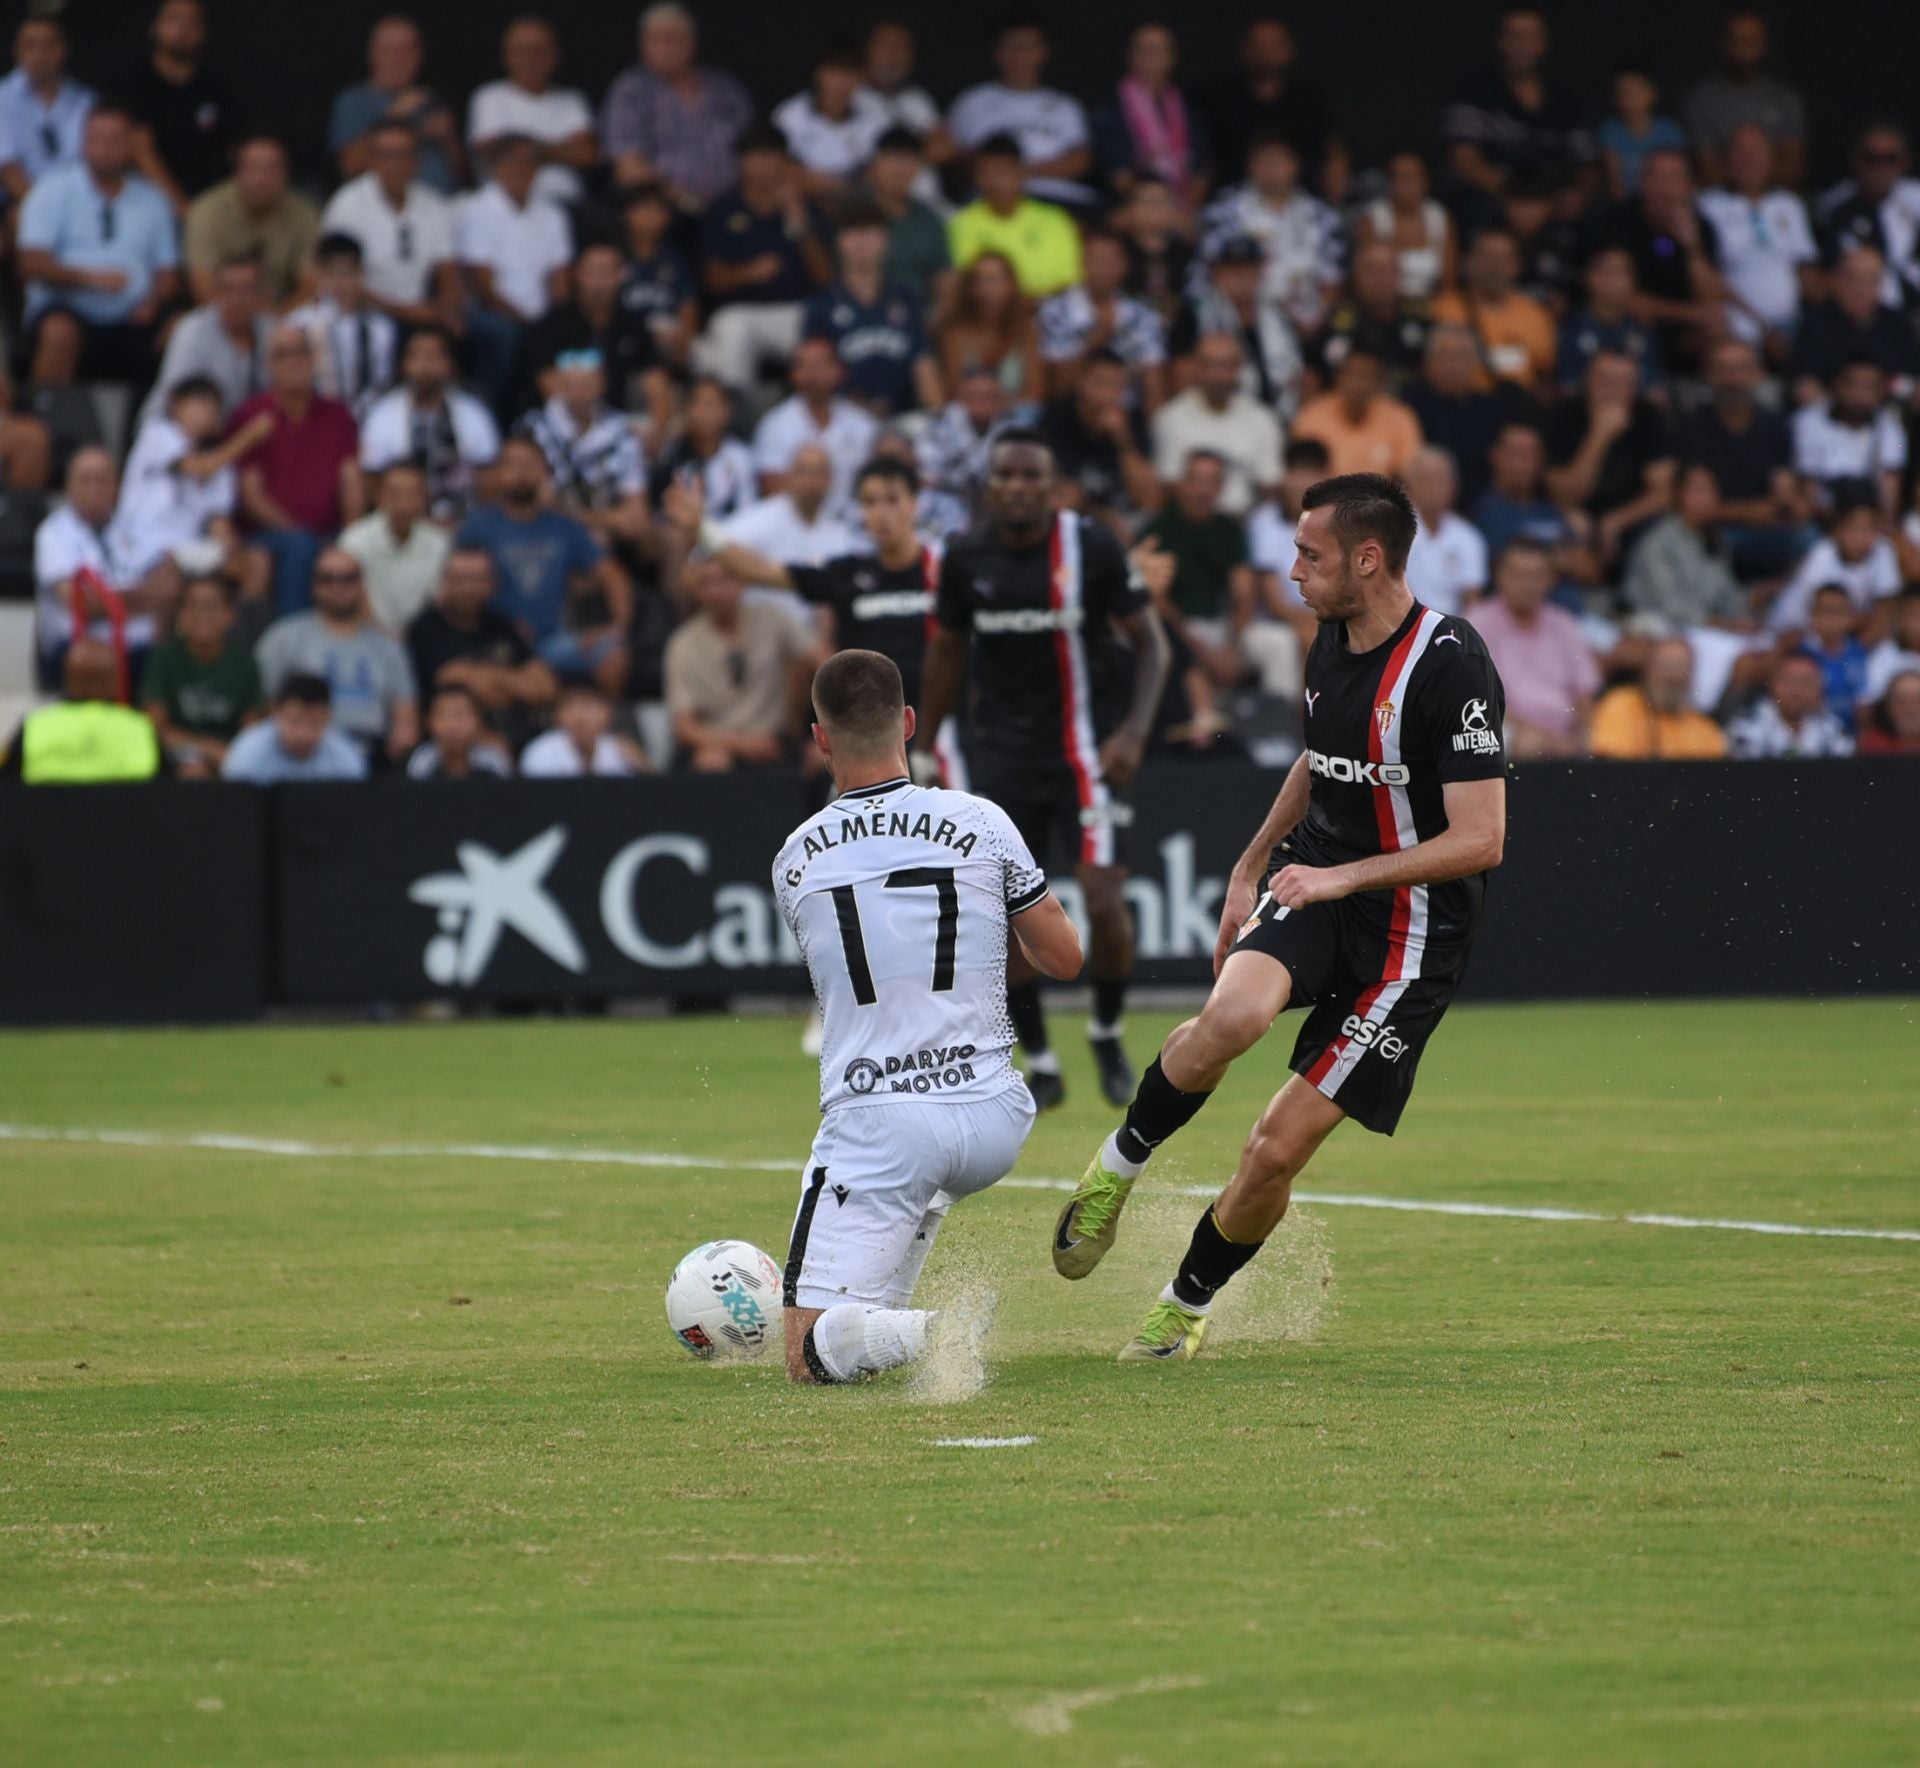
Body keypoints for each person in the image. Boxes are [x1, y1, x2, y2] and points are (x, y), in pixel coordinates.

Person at [1055, 473, 1506, 1361]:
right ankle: (1114, 1169)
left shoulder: (1451, 663)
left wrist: (1343, 882)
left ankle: (1181, 1309)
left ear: (1367, 559)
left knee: (1272, 1152)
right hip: (1317, 881)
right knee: (1231, 1014)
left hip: (1411, 943)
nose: (1291, 571)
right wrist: (1252, 859)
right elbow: (1320, 757)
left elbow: (1483, 838)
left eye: (1310, 553)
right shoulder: (1329, 638)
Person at [775, 648, 1081, 1385]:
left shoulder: (795, 859)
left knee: (806, 1358)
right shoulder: (982, 820)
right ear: (909, 723)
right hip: (994, 1114)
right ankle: (886, 1309)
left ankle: (937, 1330)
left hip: (883, 1124)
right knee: (864, 1324)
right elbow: (1064, 959)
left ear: (820, 738)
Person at [914, 428, 1172, 1110]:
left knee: (1105, 901)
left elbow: (1155, 645)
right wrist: (920, 748)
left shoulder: (1090, 546)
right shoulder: (963, 555)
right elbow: (945, 654)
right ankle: (1043, 1058)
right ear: (989, 486)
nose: (1020, 487)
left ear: (1052, 486)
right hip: (995, 758)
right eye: (1007, 476)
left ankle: (1107, 1033)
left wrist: (1134, 734)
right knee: (1005, 918)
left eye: (1034, 476)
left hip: (1083, 756)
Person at [670, 456, 937, 705]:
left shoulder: (941, 572)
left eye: (892, 500)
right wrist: (701, 528)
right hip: (869, 721)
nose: (881, 513)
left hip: (939, 725)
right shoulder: (848, 573)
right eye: (869, 502)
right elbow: (761, 571)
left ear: (916, 503)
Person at [456, 436, 630, 696]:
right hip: (494, 640)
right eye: (512, 465)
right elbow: (456, 580)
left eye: (529, 464)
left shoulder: (563, 527)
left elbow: (612, 575)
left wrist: (617, 627)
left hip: (552, 640)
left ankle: (599, 729)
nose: (521, 473)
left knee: (613, 656)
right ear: (499, 472)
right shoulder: (479, 526)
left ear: (544, 471)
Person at [18, 106, 179, 387]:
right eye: (97, 139)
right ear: (84, 142)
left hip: (134, 314)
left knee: (180, 328)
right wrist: (91, 279)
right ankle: (46, 420)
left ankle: (155, 426)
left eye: (115, 140)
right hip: (67, 307)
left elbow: (167, 273)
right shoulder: (52, 189)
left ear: (130, 145)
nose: (105, 149)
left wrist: (152, 302)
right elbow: (31, 263)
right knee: (59, 331)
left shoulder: (153, 199)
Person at [231, 326, 364, 616]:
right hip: (267, 534)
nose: (292, 361)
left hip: (330, 531)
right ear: (269, 365)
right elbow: (253, 498)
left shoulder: (337, 414)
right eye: (282, 355)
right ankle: (294, 638)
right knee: (300, 547)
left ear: (313, 359)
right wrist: (305, 536)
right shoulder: (251, 415)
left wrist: (351, 539)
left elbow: (351, 482)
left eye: (299, 352)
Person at [695, 123, 831, 392]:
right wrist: (749, 272)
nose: (763, 165)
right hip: (742, 311)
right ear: (742, 161)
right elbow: (712, 280)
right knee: (732, 330)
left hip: (795, 309)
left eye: (771, 156)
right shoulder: (722, 209)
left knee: (824, 329)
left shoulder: (804, 207)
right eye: (755, 156)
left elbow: (825, 278)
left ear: (783, 161)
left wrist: (798, 222)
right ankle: (736, 413)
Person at [1135, 449, 1255, 745]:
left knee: (1277, 644)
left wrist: (1232, 641)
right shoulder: (1157, 529)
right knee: (1169, 641)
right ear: (1180, 484)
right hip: (1181, 628)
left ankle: (1289, 741)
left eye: (1212, 482)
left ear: (1220, 488)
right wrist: (1205, 650)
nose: (1202, 490)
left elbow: (1244, 593)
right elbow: (1157, 602)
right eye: (1195, 480)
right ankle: (1205, 724)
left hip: (1224, 627)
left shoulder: (1229, 529)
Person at [255, 549, 419, 764]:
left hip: (372, 753)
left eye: (348, 578)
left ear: (362, 585)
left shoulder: (388, 648)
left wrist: (400, 747)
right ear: (314, 585)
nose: (337, 587)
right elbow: (263, 708)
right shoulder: (282, 638)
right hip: (303, 753)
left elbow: (405, 716)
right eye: (327, 579)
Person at [665, 556, 820, 769]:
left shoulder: (772, 619)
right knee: (712, 761)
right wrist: (740, 743)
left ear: (742, 582)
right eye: (705, 583)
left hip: (776, 743)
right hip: (719, 743)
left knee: (819, 759)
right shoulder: (682, 643)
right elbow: (683, 727)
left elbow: (823, 660)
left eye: (724, 581)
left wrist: (830, 734)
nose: (716, 592)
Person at [32, 448, 167, 688]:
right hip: (78, 649)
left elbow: (168, 589)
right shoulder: (53, 532)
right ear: (69, 486)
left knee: (170, 658)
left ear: (116, 485)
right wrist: (144, 597)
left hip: (139, 649)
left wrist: (110, 600)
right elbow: (82, 603)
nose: (95, 487)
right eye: (86, 479)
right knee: (90, 663)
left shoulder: (137, 525)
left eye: (103, 479)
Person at [598, 0, 753, 209]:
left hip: (732, 206)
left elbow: (756, 147)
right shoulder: (631, 91)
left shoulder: (723, 87)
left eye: (675, 39)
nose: (668, 49)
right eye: (658, 40)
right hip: (665, 209)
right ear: (644, 44)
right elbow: (628, 167)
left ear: (693, 42)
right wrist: (685, 200)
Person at [1676, 338, 1806, 581]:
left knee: (1808, 540)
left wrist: (1789, 505)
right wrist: (1744, 512)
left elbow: (1784, 489)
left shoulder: (1774, 425)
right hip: (1715, 530)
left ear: (1758, 374)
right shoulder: (1691, 426)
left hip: (1766, 528)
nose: (1732, 379)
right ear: (1708, 375)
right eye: (1723, 370)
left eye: (1741, 369)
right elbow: (1688, 508)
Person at [1591, 150, 1725, 379]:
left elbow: (1712, 300)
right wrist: (1691, 315)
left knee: (1717, 328)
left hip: (1683, 331)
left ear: (1689, 187)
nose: (1665, 189)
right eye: (1657, 178)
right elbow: (1621, 297)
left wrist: (1693, 250)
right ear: (1643, 183)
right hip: (1631, 323)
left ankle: (1705, 399)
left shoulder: (1702, 227)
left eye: (1674, 179)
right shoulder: (1619, 222)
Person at [319, 119, 460, 334]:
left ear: (418, 160)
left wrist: (449, 309)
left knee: (492, 333)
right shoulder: (346, 205)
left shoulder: (433, 204)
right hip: (367, 312)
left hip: (423, 311)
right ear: (372, 159)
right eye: (387, 155)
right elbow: (341, 279)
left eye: (404, 155)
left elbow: (447, 270)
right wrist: (410, 313)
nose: (396, 163)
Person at [1198, 132, 1342, 338]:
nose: (1271, 169)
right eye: (1263, 161)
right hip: (1240, 324)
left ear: (1295, 165)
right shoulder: (1224, 210)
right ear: (1250, 166)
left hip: (1308, 325)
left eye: (1278, 161)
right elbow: (1207, 270)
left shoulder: (1322, 215)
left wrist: (1315, 322)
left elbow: (1332, 278)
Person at [800, 203, 938, 418]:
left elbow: (923, 365)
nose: (862, 240)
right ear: (838, 241)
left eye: (872, 231)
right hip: (842, 421)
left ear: (887, 240)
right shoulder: (822, 305)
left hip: (904, 421)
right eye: (853, 231)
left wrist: (936, 415)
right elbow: (812, 372)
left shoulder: (906, 299)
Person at [1542, 350, 1675, 572]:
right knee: (1566, 529)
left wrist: (1615, 521)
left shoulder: (1649, 416)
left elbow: (1663, 493)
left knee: (1664, 531)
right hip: (1573, 514)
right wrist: (1599, 436)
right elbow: (1564, 494)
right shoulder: (1563, 415)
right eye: (1606, 380)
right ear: (1587, 381)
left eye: (1625, 382)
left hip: (1629, 518)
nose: (1614, 391)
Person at [1440, 6, 1590, 197]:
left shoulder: (1562, 97)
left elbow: (1587, 162)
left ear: (1543, 42)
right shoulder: (1473, 90)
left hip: (1552, 206)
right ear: (1501, 40)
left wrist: (1575, 196)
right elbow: (1464, 160)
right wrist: (1520, 200)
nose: (1523, 46)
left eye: (1531, 37)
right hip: (1491, 204)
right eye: (1515, 37)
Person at [359, 326, 501, 524]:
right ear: (403, 365)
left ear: (450, 365)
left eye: (434, 356)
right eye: (416, 356)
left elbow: (490, 478)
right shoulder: (382, 415)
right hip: (403, 524)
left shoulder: (474, 413)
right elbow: (372, 480)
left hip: (462, 522)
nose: (425, 365)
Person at [947, 18, 1093, 208]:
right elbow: (954, 159)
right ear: (997, 52)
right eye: (1012, 46)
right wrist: (1001, 174)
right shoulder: (971, 101)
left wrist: (1025, 171)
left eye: (1028, 46)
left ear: (1043, 52)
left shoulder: (1065, 105)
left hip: (1056, 197)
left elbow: (1081, 160)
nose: (1020, 54)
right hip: (991, 200)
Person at [1472, 538, 1599, 756]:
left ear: (1550, 580)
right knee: (1528, 743)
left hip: (1565, 732)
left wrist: (1582, 733)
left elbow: (1584, 691)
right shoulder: (1477, 624)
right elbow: (1479, 698)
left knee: (1607, 740)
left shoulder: (1563, 623)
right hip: (1506, 728)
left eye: (1536, 576)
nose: (1527, 585)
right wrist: (1546, 738)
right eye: (1518, 575)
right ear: (1499, 575)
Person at [404, 545, 556, 727]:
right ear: (445, 581)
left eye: (477, 580)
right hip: (459, 736)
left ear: (492, 583)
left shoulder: (501, 624)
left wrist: (480, 676)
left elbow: (545, 687)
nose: (468, 588)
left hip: (520, 731)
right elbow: (450, 678)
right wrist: (516, 683)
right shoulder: (425, 629)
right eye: (460, 579)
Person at [1697, 125, 1817, 355]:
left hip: (1789, 325)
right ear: (1726, 159)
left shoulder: (1790, 204)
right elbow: (1707, 273)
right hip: (1734, 326)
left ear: (1771, 158)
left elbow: (1804, 269)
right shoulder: (1707, 205)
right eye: (1741, 152)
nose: (1749, 159)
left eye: (1757, 152)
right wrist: (1762, 326)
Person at [515, 350, 648, 549]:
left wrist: (579, 517)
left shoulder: (622, 433)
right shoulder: (533, 428)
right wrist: (606, 519)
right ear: (558, 385)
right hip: (544, 532)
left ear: (601, 385)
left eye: (586, 385)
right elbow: (536, 503)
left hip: (610, 539)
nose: (579, 393)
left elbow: (636, 516)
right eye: (571, 385)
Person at [523, 241, 667, 422]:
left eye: (606, 273)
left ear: (621, 275)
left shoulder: (634, 324)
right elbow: (549, 386)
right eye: (592, 272)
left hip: (618, 423)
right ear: (577, 274)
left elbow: (654, 380)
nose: (598, 282)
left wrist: (658, 427)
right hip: (562, 423)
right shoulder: (551, 326)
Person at [455, 132, 572, 351]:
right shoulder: (475, 211)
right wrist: (526, 324)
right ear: (495, 166)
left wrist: (555, 320)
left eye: (529, 163)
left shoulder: (552, 214)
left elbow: (560, 281)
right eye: (514, 162)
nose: (522, 169)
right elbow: (483, 288)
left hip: (543, 316)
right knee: (507, 336)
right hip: (497, 314)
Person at [140, 572, 264, 773]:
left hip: (231, 753)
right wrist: (208, 749)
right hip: (178, 753)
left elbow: (251, 729)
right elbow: (156, 726)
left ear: (230, 615)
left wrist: (230, 755)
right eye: (192, 606)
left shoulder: (245, 661)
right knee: (193, 770)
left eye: (211, 606)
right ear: (179, 615)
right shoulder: (165, 657)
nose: (202, 614)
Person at [465, 15, 593, 209]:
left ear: (555, 55)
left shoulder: (571, 100)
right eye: (522, 51)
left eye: (538, 51)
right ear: (507, 56)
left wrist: (520, 148)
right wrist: (558, 149)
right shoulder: (489, 97)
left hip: (565, 204)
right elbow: (490, 151)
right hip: (507, 205)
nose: (530, 59)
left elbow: (586, 154)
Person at [1151, 332, 1284, 518]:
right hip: (1191, 521)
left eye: (1228, 366)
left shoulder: (1263, 420)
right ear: (1195, 367)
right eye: (1210, 365)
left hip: (1247, 522)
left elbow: (1270, 485)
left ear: (1240, 369)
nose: (1219, 375)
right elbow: (1170, 486)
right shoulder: (1170, 419)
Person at [1197, 13, 1334, 192]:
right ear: (1243, 49)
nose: (1266, 52)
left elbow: (1332, 147)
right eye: (1259, 45)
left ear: (1290, 50)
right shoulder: (1217, 100)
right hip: (1233, 200)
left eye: (1274, 45)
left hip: (1301, 201)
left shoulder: (1309, 100)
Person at [328, 14, 463, 195]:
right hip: (383, 210)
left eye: (405, 51)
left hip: (441, 206)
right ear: (372, 53)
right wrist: (396, 115)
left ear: (419, 56)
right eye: (388, 50)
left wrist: (448, 140)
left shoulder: (431, 99)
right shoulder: (353, 100)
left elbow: (464, 174)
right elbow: (350, 166)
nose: (397, 59)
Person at [1404, 325, 1533, 509]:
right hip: (1429, 502)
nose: (1454, 365)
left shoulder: (1491, 408)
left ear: (1475, 363)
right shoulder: (1410, 406)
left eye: (1462, 357)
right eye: (1445, 356)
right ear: (1428, 362)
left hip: (1485, 503)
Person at [1036, 227, 1167, 408]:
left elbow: (1154, 384)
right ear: (1081, 263)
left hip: (1128, 411)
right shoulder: (1055, 311)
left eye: (1110, 261)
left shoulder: (1144, 316)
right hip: (1070, 411)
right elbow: (1057, 386)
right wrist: (1094, 342)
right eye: (1097, 260)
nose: (1103, 268)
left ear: (1125, 265)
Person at [124, 0, 233, 212]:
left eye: (192, 22)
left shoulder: (215, 89)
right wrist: (183, 208)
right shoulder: (137, 86)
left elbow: (232, 150)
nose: (183, 29)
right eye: (174, 19)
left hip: (211, 205)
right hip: (148, 206)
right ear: (154, 26)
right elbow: (140, 150)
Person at [182, 136, 317, 306]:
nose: (261, 179)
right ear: (237, 170)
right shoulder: (206, 212)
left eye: (272, 169)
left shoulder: (304, 215)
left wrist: (277, 323)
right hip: (221, 319)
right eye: (253, 168)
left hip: (283, 319)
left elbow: (312, 285)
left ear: (287, 173)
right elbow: (203, 290)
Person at [1, 642, 161, 785]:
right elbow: (169, 782)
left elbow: (7, 782)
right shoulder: (140, 727)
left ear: (68, 678)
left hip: (43, 815)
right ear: (112, 681)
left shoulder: (35, 725)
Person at [1683, 9, 1807, 191]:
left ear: (1765, 44)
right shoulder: (1703, 99)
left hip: (1776, 197)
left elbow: (1793, 168)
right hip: (1720, 199)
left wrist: (1752, 178)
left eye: (1752, 40)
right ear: (1723, 44)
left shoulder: (1784, 98)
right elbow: (1707, 170)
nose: (1745, 48)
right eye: (1738, 40)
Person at [946, 133, 1082, 299]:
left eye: (1001, 171)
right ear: (977, 178)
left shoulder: (1055, 219)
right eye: (985, 173)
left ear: (1021, 173)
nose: (994, 181)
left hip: (1049, 310)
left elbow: (1068, 280)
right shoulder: (961, 223)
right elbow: (969, 284)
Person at [1039, 348, 1162, 531]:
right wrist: (1101, 517)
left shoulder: (1133, 420)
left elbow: (1150, 500)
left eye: (1116, 386)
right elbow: (1060, 494)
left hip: (1127, 521)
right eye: (1099, 384)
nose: (1106, 395)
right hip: (1077, 522)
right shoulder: (1057, 418)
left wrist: (1123, 440)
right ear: (1081, 382)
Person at [1090, 21, 1209, 209]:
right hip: (1131, 208)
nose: (1148, 57)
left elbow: (1201, 169)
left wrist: (1183, 208)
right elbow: (1117, 174)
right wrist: (1156, 206)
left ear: (1172, 56)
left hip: (1183, 208)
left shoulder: (1187, 106)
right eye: (1141, 49)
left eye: (1156, 50)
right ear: (1129, 55)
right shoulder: (1111, 105)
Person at [140, 253, 268, 424]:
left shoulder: (270, 330)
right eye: (230, 289)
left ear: (259, 294)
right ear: (216, 292)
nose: (238, 299)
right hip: (181, 432)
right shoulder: (192, 331)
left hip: (246, 434)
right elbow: (176, 401)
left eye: (246, 290)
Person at [1623, 462, 1750, 632]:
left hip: (1701, 629)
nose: (1706, 498)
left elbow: (1727, 596)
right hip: (1652, 631)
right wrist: (1723, 624)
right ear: (1679, 494)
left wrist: (1757, 598)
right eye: (1698, 490)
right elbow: (1670, 607)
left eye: (1711, 490)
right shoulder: (1658, 541)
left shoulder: (1716, 538)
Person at [284, 233, 400, 419]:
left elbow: (381, 382)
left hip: (365, 415)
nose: (341, 283)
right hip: (314, 416)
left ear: (361, 274)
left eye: (348, 273)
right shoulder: (298, 324)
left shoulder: (380, 328)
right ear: (318, 275)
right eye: (332, 274)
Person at [1429, 227, 1553, 396]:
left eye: (1503, 259)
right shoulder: (1444, 309)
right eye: (1487, 257)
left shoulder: (1536, 315)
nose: (1495, 266)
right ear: (1470, 262)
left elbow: (1544, 373)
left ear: (1517, 266)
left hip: (1518, 405)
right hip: (1464, 402)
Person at [1814, 125, 1920, 310]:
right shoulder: (1835, 209)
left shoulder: (1915, 200)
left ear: (1904, 163)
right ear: (1856, 160)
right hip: (1866, 319)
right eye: (1871, 158)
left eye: (1889, 159)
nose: (1879, 168)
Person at [340, 459, 451, 634]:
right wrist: (387, 642)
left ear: (425, 497)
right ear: (380, 495)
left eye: (412, 494)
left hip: (422, 639)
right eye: (395, 493)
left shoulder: (441, 543)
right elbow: (352, 598)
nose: (404, 503)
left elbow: (438, 602)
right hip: (364, 637)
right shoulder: (354, 540)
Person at [1791, 357, 1907, 520]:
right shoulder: (1807, 422)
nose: (1860, 395)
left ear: (1881, 391)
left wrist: (1879, 523)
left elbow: (1890, 486)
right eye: (1853, 386)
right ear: (1836, 385)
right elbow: (1808, 486)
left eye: (1869, 388)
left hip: (1869, 520)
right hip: (1820, 518)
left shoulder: (1891, 428)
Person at [1315, 238, 1433, 391]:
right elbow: (1329, 373)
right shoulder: (1339, 323)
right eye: (1371, 271)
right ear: (1356, 277)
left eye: (1387, 270)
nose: (1380, 279)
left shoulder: (1418, 318)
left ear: (1400, 276)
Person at [774, 42, 887, 199]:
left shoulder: (875, 117)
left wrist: (842, 188)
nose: (840, 82)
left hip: (855, 203)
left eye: (848, 73)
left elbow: (880, 170)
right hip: (803, 197)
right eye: (834, 72)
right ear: (819, 74)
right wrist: (830, 186)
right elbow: (778, 164)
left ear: (861, 78)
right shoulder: (790, 114)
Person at [1289, 347, 1422, 480]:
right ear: (1338, 377)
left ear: (1380, 382)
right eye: (1353, 375)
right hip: (1326, 497)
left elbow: (1409, 474)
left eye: (1368, 376)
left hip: (1383, 498)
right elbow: (1303, 475)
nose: (1360, 385)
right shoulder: (1312, 416)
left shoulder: (1400, 417)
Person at [0, 13, 93, 202]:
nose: (40, 55)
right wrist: (46, 212)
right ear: (17, 51)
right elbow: (7, 169)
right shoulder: (2, 97)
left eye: (49, 45)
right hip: (19, 201)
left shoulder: (86, 101)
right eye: (30, 45)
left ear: (64, 49)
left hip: (79, 202)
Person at [1771, 498, 1901, 633]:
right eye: (1854, 529)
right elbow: (1820, 614)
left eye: (1867, 528)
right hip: (1799, 625)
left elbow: (1886, 608)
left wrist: (1858, 650)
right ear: (1837, 530)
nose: (1860, 536)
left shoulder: (1883, 549)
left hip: (1848, 630)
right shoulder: (1821, 555)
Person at [1588, 637, 1729, 759]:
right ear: (1648, 670)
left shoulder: (1706, 730)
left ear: (1691, 676)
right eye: (1666, 666)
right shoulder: (1621, 704)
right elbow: (1612, 763)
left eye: (1681, 667)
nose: (1673, 676)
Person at [914, 366, 1010, 539]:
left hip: (992, 504)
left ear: (1001, 399)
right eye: (976, 395)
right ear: (962, 397)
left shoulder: (1011, 428)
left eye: (990, 396)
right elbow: (927, 479)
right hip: (948, 501)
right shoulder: (939, 425)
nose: (983, 401)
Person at [933, 251, 1038, 406]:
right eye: (978, 281)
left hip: (1016, 417)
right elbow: (953, 393)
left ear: (1011, 285)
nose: (986, 288)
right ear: (969, 288)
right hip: (968, 418)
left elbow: (1036, 394)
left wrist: (999, 408)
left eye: (993, 280)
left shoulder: (1027, 332)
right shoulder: (955, 335)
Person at [221, 673, 369, 781]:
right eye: (295, 722)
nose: (304, 735)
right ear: (275, 713)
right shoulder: (247, 756)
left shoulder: (345, 757)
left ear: (328, 718)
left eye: (314, 723)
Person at [861, 125, 951, 305]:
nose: (900, 169)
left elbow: (945, 280)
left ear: (918, 168)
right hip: (862, 315)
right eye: (892, 158)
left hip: (917, 318)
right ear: (874, 165)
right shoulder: (853, 212)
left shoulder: (929, 220)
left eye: (909, 160)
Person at [1555, 246, 1662, 396]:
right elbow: (1567, 388)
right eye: (1607, 270)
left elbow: (1653, 389)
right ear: (1589, 277)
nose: (1614, 279)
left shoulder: (1643, 332)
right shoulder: (1569, 328)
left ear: (1633, 280)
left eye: (1622, 272)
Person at [614, 183, 698, 371]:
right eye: (643, 210)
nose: (649, 217)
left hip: (668, 332)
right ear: (627, 215)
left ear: (667, 217)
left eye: (656, 210)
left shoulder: (675, 259)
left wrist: (685, 336)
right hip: (625, 331)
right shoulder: (615, 258)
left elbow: (688, 304)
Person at [649, 376, 756, 522]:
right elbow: (661, 512)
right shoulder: (671, 454)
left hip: (730, 537)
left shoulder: (741, 457)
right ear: (685, 409)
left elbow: (748, 513)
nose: (704, 412)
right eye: (697, 403)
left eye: (711, 404)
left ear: (727, 411)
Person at [1354, 150, 1453, 303]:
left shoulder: (1439, 217)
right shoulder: (1373, 218)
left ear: (1425, 182)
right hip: (1387, 306)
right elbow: (1366, 275)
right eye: (1399, 178)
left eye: (1412, 177)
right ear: (1389, 183)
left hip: (1431, 305)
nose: (1405, 184)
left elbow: (1448, 281)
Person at [1402, 447, 1488, 617]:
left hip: (1453, 632)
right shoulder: (1392, 532)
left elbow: (1472, 599)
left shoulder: (1468, 537)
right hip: (1403, 628)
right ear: (1408, 486)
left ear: (1454, 486)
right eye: (1426, 480)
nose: (1433, 489)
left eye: (1440, 481)